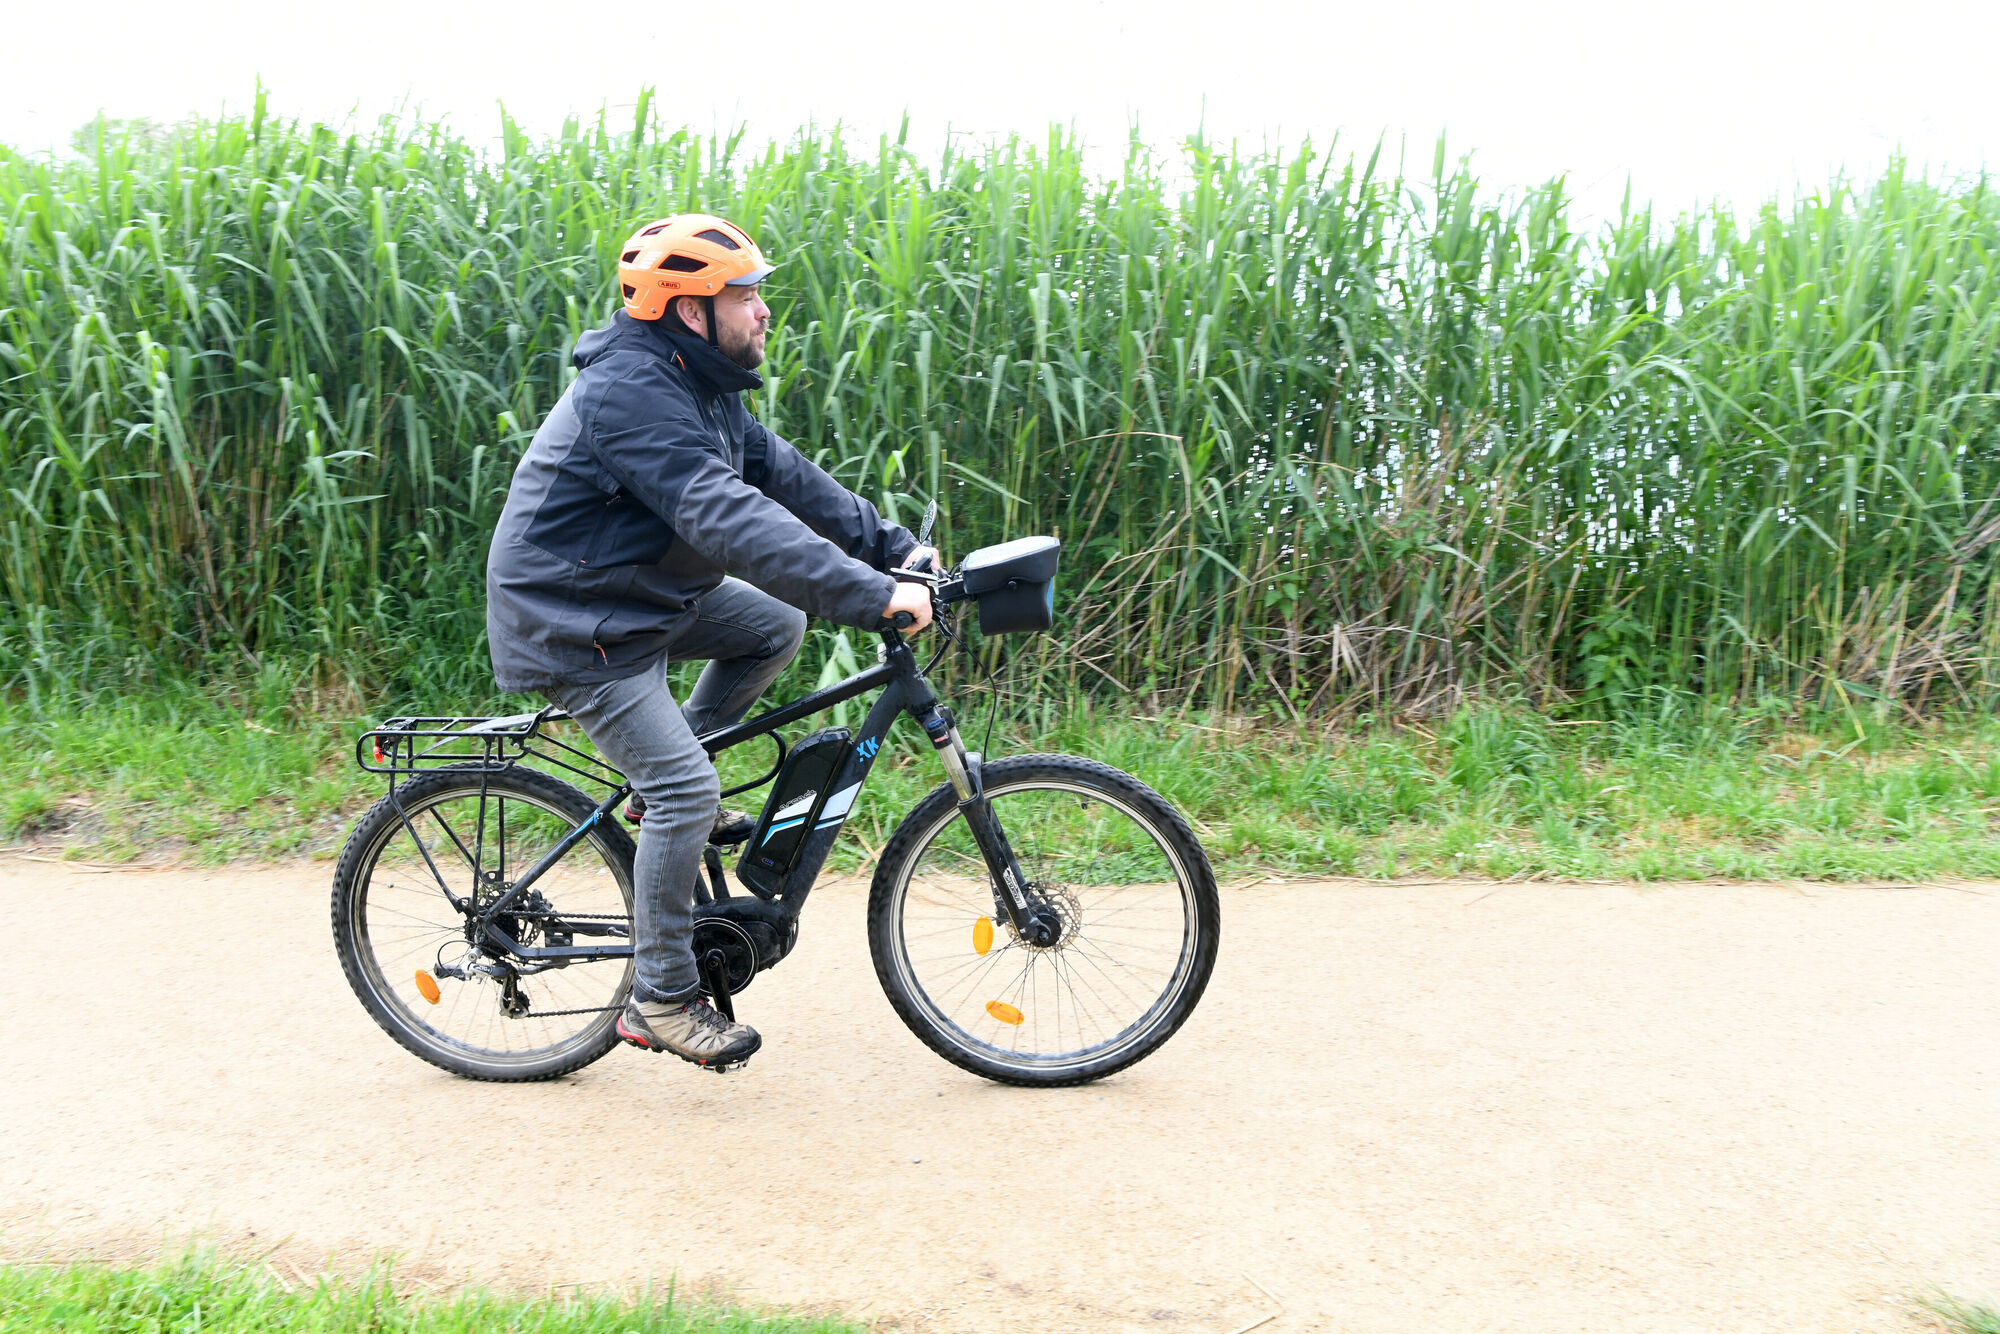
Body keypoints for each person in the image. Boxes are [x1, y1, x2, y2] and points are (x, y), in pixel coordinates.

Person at [485, 213, 934, 1071]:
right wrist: (874, 597)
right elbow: (727, 518)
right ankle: (659, 996)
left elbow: (786, 478)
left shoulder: (700, 383)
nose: (763, 309)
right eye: (746, 293)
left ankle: (658, 800)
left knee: (773, 623)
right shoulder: (631, 393)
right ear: (692, 310)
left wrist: (895, 549)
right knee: (690, 790)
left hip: (638, 592)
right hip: (574, 619)